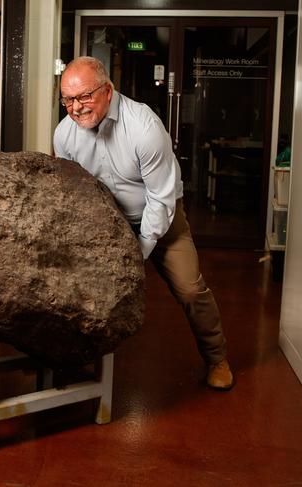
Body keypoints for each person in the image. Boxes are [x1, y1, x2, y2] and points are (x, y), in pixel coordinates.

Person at [53, 56, 233, 392]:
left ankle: (216, 358)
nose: (75, 108)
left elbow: (161, 199)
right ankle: (73, 362)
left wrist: (138, 251)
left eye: (84, 97)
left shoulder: (144, 128)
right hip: (106, 221)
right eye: (67, 100)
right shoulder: (65, 135)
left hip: (161, 219)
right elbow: (74, 193)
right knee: (74, 290)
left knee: (191, 289)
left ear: (107, 90)